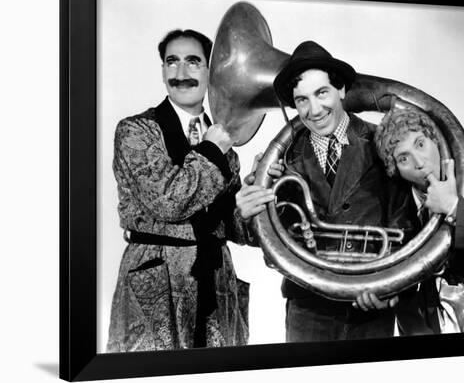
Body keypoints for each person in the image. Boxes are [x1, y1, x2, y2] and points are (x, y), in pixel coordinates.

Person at [237, 41, 401, 343]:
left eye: (321, 93)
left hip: (371, 301)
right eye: (301, 100)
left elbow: (405, 222)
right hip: (307, 306)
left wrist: (392, 285)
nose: (313, 110)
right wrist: (253, 212)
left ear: (341, 90)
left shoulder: (381, 142)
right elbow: (272, 240)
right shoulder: (283, 158)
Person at [107, 29, 250, 352]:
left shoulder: (225, 145)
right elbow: (169, 202)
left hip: (215, 281)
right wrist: (213, 150)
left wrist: (255, 203)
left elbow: (232, 226)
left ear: (212, 72)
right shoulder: (135, 131)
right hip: (155, 279)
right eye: (172, 62)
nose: (181, 73)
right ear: (162, 71)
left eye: (193, 62)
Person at [374, 107, 464, 334]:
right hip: (433, 321)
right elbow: (399, 275)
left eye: (420, 144)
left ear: (435, 140)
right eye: (403, 158)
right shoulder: (396, 202)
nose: (419, 162)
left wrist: (453, 206)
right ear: (396, 170)